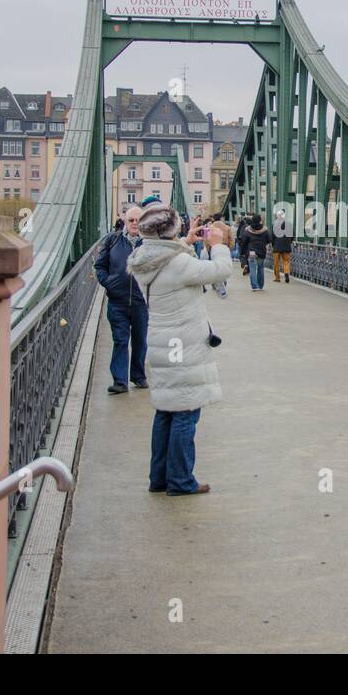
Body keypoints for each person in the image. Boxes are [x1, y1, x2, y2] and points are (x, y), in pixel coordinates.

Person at [127, 201, 233, 495]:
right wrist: (218, 244)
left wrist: (184, 243)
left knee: (166, 411)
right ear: (169, 231)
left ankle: (159, 478)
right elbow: (221, 270)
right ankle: (181, 480)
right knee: (186, 411)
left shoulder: (142, 258)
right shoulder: (179, 264)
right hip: (185, 345)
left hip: (161, 344)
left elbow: (169, 261)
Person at [94, 206, 148, 395]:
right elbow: (99, 265)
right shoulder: (113, 240)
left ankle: (138, 376)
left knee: (140, 341)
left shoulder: (149, 243)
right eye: (131, 220)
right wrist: (108, 283)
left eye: (138, 221)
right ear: (125, 221)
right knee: (120, 340)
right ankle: (120, 380)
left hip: (142, 302)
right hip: (118, 300)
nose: (134, 224)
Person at [240, 213, 272, 290]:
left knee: (252, 268)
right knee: (260, 268)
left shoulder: (248, 230)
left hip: (251, 252)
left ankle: (254, 286)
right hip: (261, 251)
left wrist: (243, 252)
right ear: (260, 220)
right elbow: (269, 240)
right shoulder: (265, 230)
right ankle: (260, 285)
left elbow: (244, 242)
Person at [271, 209, 294, 282]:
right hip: (286, 245)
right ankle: (286, 273)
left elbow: (272, 236)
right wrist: (289, 242)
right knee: (286, 261)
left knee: (276, 263)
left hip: (277, 246)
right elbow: (292, 235)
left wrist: (273, 244)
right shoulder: (289, 224)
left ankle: (277, 278)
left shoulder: (274, 224)